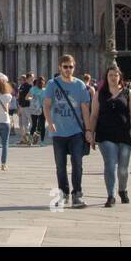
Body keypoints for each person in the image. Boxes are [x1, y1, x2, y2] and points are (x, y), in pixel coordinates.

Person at [44, 54, 92, 208]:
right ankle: (63, 194)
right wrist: (50, 123)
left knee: (77, 163)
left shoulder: (80, 85)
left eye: (71, 67)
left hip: (76, 131)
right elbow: (47, 105)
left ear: (74, 67)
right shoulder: (52, 84)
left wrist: (88, 129)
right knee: (60, 166)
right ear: (60, 67)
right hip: (58, 132)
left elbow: (85, 109)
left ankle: (77, 194)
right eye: (65, 66)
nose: (68, 69)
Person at [93, 66, 131, 206]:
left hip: (124, 134)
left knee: (123, 168)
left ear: (120, 77)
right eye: (110, 75)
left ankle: (123, 190)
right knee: (110, 164)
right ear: (106, 77)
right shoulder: (99, 93)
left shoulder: (128, 93)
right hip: (105, 134)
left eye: (115, 75)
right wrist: (90, 131)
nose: (113, 78)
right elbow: (94, 115)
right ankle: (111, 195)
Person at [27, 75, 47, 146]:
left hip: (34, 109)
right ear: (44, 83)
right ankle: (42, 141)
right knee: (42, 126)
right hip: (43, 109)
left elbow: (27, 98)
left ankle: (30, 141)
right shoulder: (45, 90)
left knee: (34, 125)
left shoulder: (33, 89)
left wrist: (32, 99)